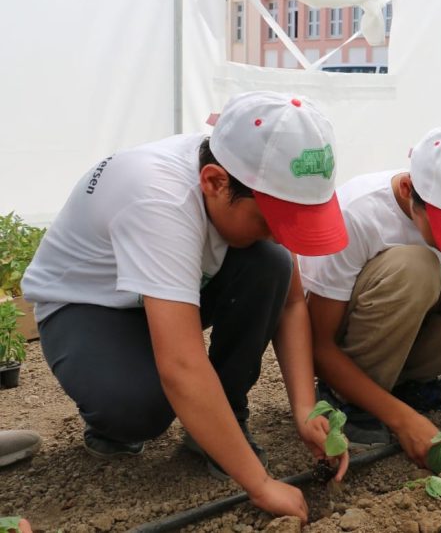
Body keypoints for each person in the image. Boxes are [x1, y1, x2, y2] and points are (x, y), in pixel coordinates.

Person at [21, 91, 350, 520]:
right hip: (90, 305)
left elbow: (290, 305)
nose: (280, 234)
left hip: (172, 289)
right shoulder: (160, 199)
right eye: (270, 221)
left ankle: (220, 421)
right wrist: (260, 484)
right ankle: (113, 423)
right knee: (142, 408)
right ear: (214, 182)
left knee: (271, 264)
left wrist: (305, 410)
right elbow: (181, 367)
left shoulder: (243, 167)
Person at [301, 125, 441, 467]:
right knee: (416, 265)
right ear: (407, 190)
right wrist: (403, 421)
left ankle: (411, 383)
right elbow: (317, 343)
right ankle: (349, 397)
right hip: (349, 348)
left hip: (403, 338)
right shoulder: (357, 214)